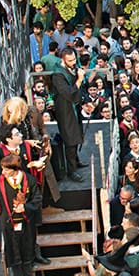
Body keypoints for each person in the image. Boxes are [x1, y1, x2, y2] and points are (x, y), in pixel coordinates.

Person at [0, 154, 42, 276]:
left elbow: (37, 199)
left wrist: (25, 208)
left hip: (26, 224)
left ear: (14, 169)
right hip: (9, 224)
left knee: (27, 251)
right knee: (14, 253)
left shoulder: (29, 180)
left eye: (6, 169)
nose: (3, 172)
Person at [52, 47, 86, 181]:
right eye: (70, 60)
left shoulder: (73, 67)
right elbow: (68, 92)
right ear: (63, 60)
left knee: (77, 134)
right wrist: (79, 80)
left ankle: (76, 161)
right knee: (70, 139)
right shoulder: (58, 75)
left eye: (74, 59)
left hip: (74, 107)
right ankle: (71, 171)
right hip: (65, 109)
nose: (73, 62)